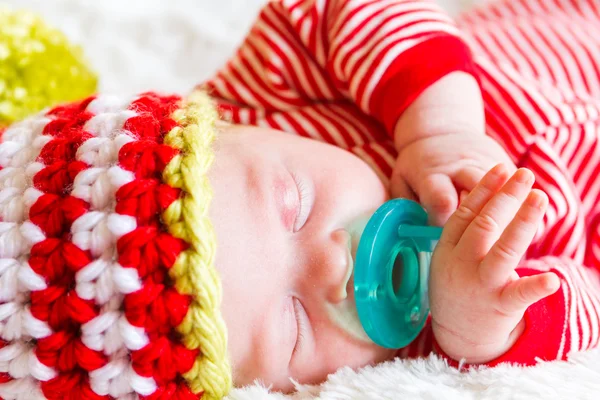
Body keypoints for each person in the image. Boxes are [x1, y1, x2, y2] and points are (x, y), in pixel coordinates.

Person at [0, 1, 599, 399]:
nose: (335, 268)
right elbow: (584, 303)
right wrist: (488, 332)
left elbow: (329, 10)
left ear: (228, 121)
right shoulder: (410, 346)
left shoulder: (268, 95)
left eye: (295, 204)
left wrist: (437, 123)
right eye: (293, 327)